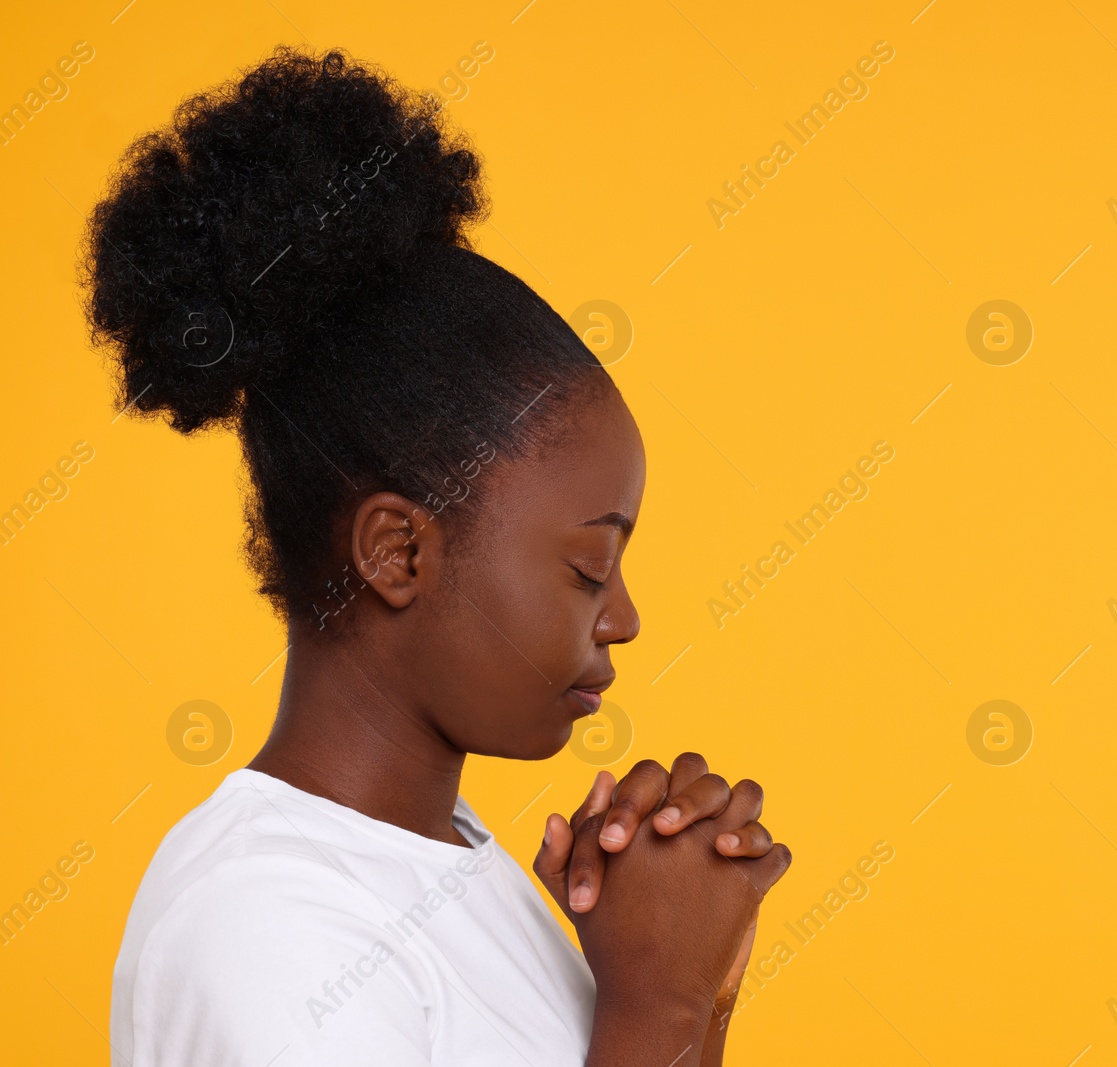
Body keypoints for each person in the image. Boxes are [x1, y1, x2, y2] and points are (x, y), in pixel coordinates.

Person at [84, 46, 790, 1066]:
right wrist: (658, 1008)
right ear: (397, 551)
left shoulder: (446, 862)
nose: (624, 615)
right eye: (589, 567)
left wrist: (694, 981)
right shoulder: (269, 927)